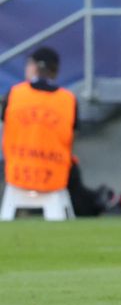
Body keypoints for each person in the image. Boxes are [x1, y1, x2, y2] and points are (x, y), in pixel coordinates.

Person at [2, 47, 76, 197]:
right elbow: (73, 136)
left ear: (35, 66)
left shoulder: (15, 93)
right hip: (55, 179)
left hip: (16, 176)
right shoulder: (68, 99)